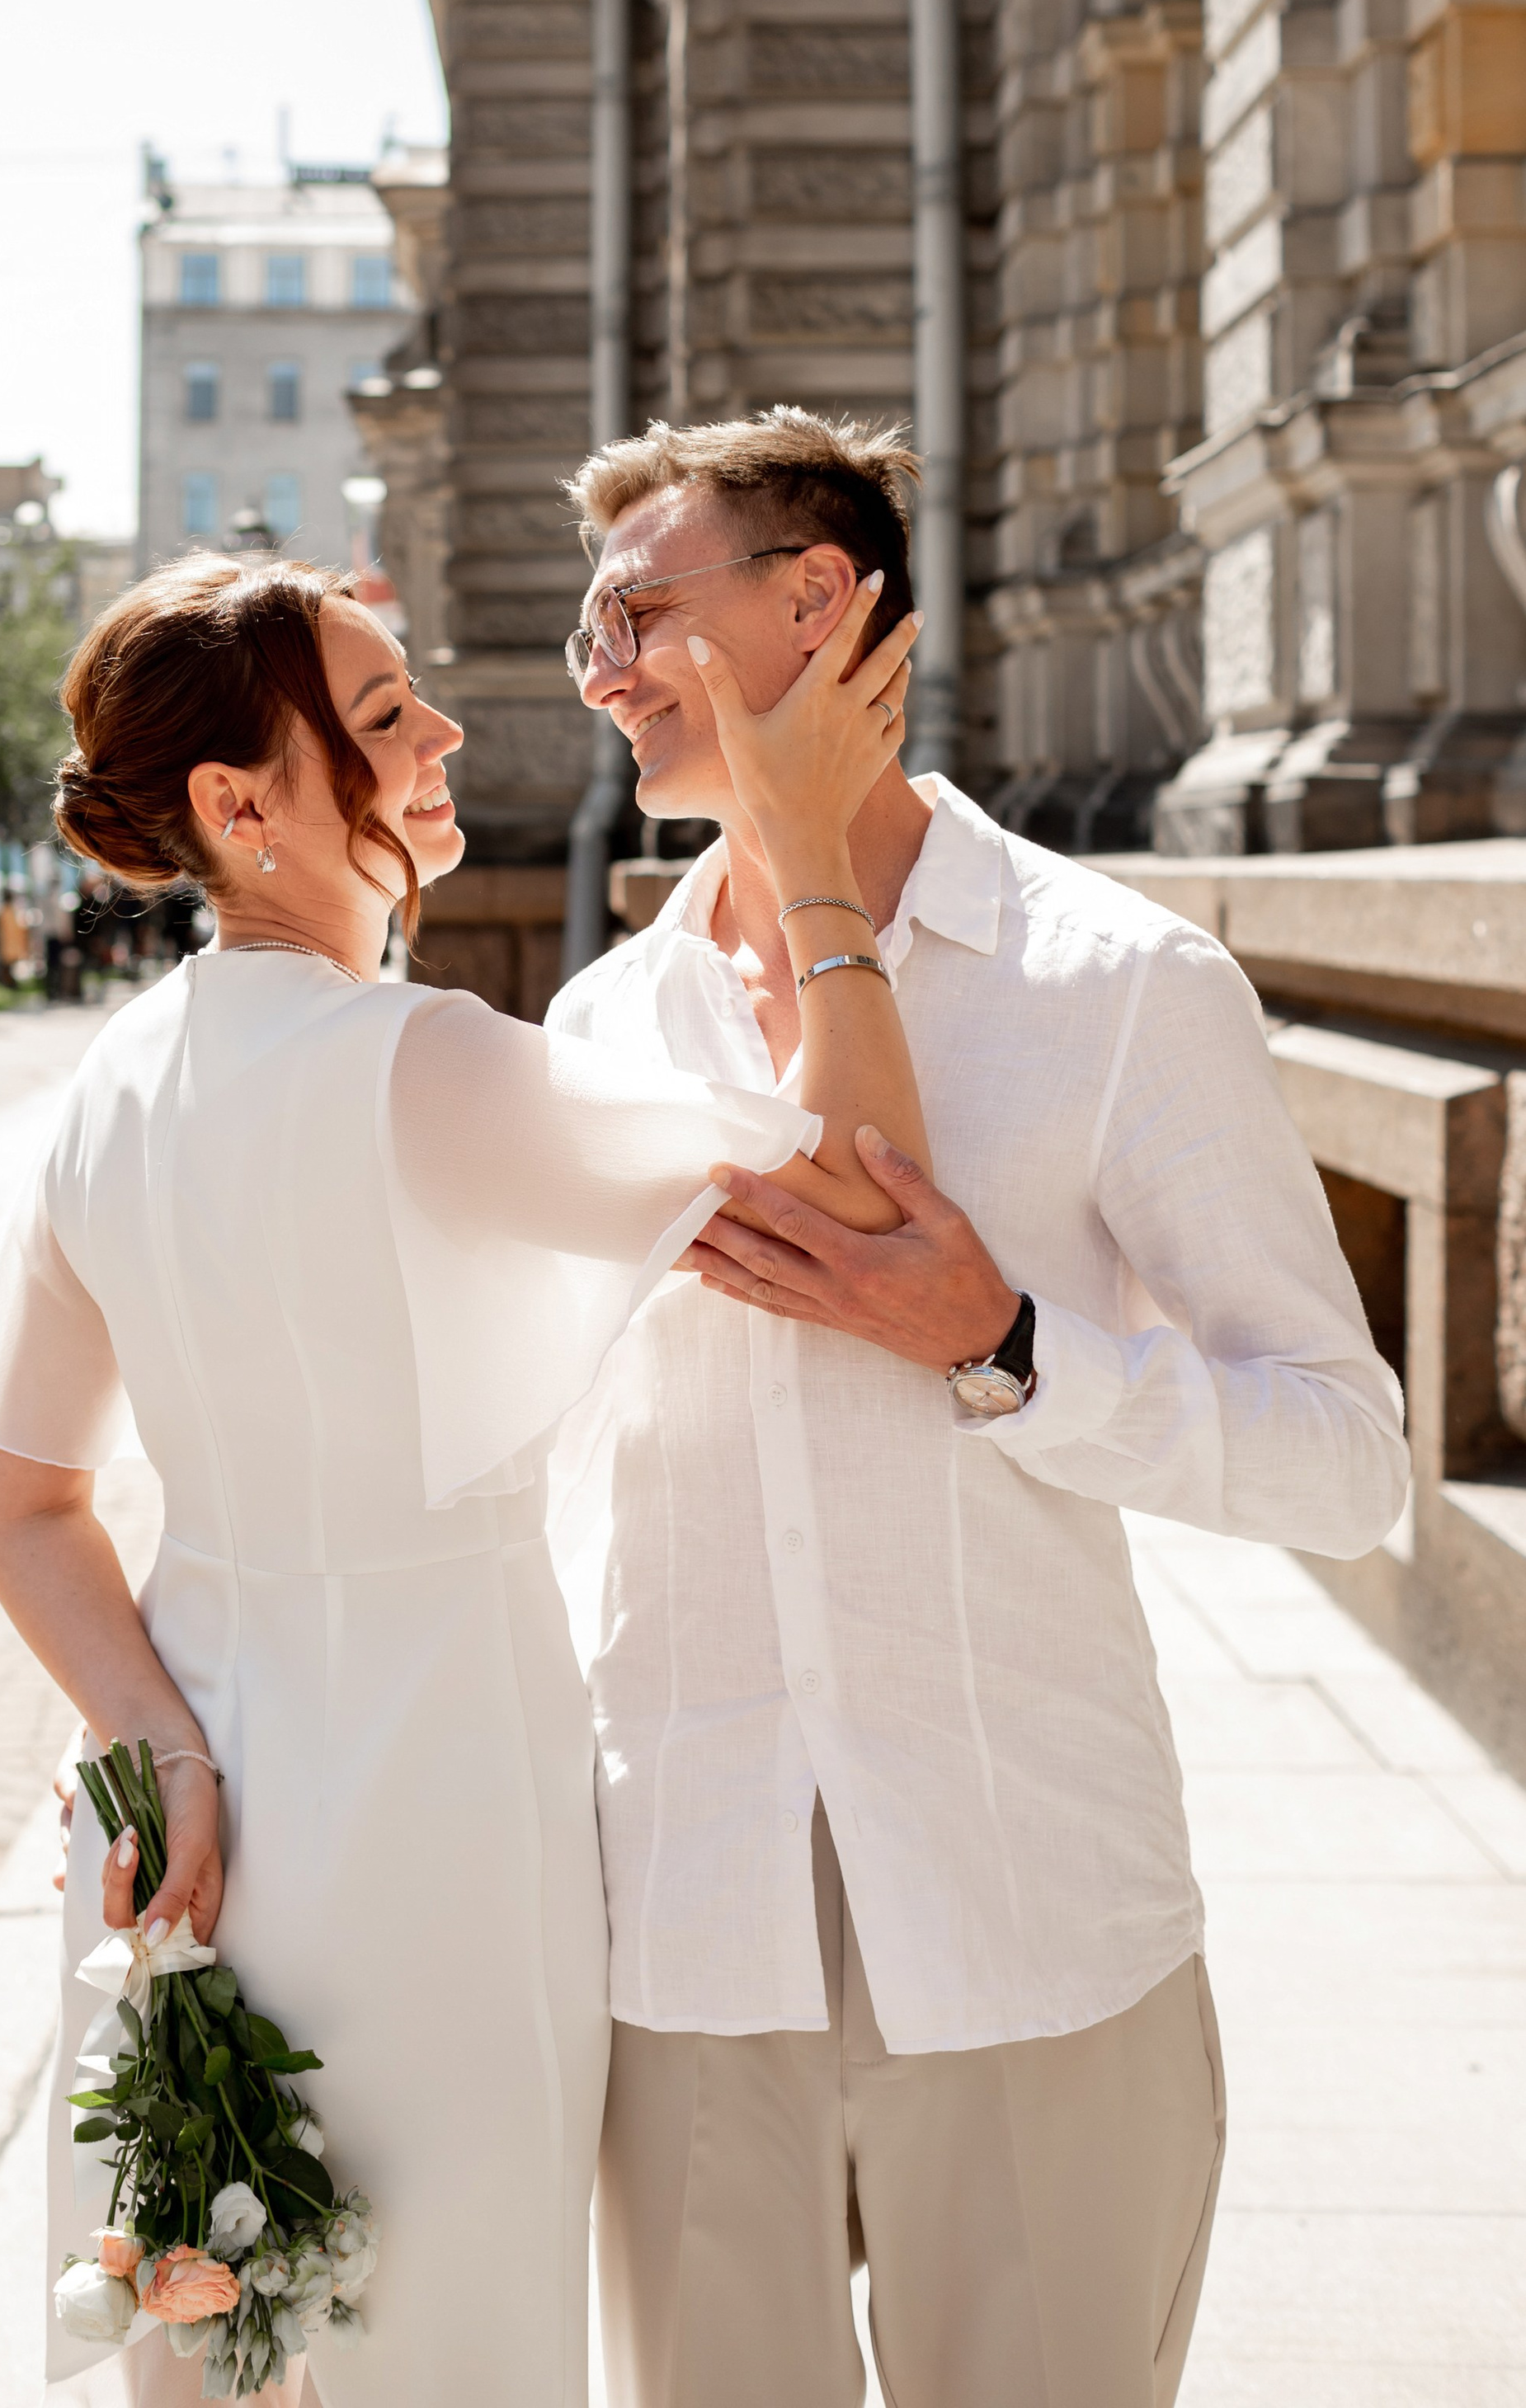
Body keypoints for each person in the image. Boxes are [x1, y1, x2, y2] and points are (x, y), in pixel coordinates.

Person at [0, 549, 923, 2408]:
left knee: (219, 2336)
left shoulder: (109, 1086)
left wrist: (150, 1728)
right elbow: (856, 1194)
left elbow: (19, 1500)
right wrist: (806, 849)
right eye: (384, 717)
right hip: (430, 1788)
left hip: (183, 1815)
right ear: (241, 807)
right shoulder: (423, 1067)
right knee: (453, 2336)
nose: (446, 732)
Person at [552, 409, 1411, 2408]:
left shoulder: (1112, 982)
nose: (592, 672)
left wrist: (1010, 1346)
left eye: (639, 612)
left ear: (817, 605)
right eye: (584, 625)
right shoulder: (600, 1027)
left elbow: (1345, 1458)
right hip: (681, 1939)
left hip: (1030, 1918)